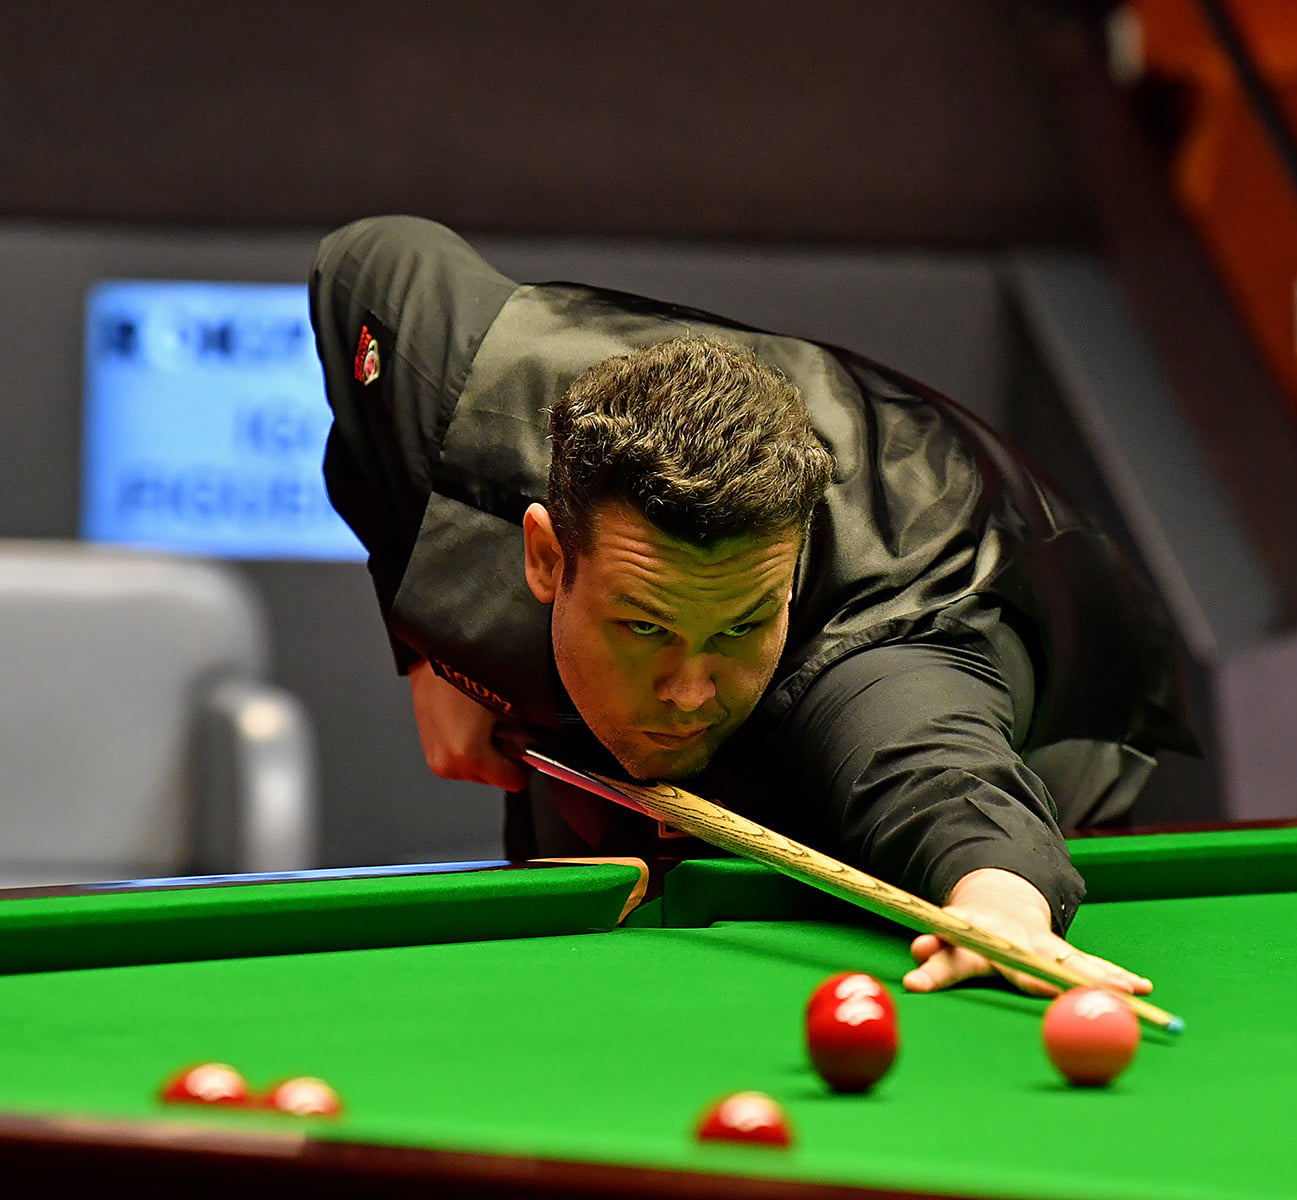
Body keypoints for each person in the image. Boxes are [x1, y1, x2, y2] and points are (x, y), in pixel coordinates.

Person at [310, 216, 1197, 998]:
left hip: (1035, 655)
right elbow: (365, 259)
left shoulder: (884, 648)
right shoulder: (467, 392)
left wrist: (998, 905)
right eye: (644, 626)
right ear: (545, 557)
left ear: (789, 566)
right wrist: (425, 646)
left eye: (738, 626)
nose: (691, 688)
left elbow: (944, 778)